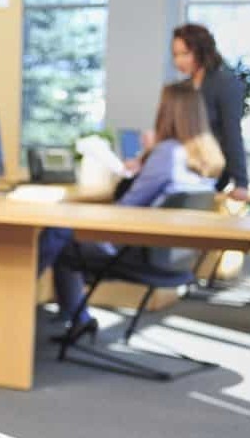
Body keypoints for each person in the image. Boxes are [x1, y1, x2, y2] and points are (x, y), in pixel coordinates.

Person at [38, 82, 225, 343]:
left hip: (138, 254)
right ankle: (77, 318)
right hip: (175, 258)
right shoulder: (205, 157)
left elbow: (128, 206)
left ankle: (16, 295)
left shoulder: (168, 152)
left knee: (58, 233)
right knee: (64, 234)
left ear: (169, 112)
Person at [172, 23, 248, 202]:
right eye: (175, 55)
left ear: (201, 50)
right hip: (181, 169)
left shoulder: (225, 84)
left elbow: (232, 135)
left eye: (185, 54)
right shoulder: (184, 87)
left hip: (209, 172)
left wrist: (241, 183)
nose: (178, 61)